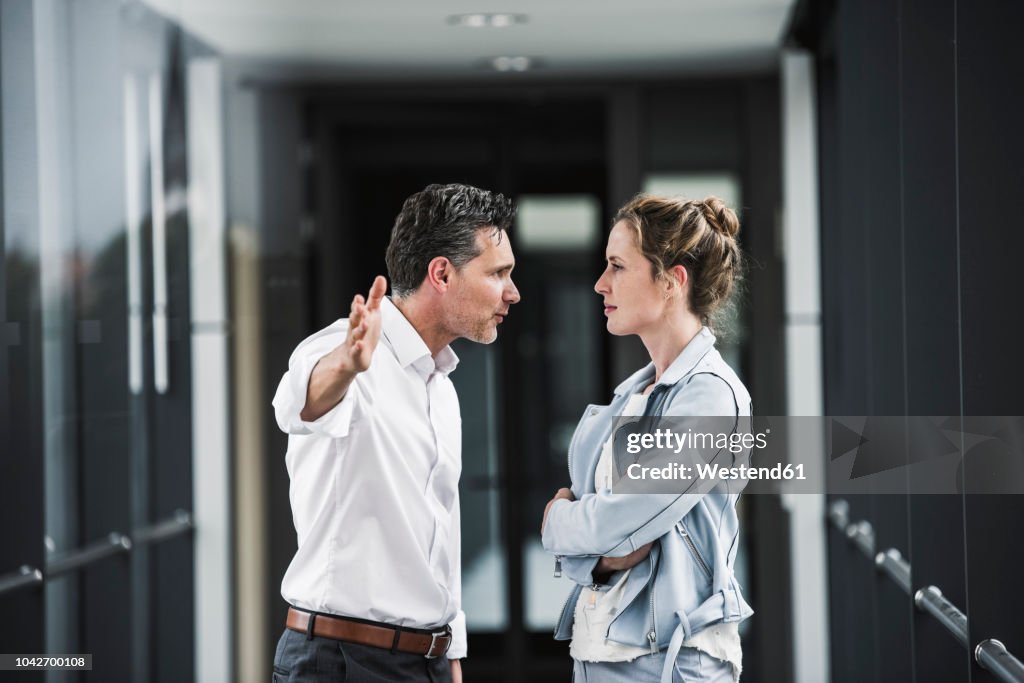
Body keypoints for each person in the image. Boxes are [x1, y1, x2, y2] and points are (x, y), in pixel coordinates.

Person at [271, 183, 520, 683]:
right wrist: (347, 363)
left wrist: (452, 650)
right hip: (341, 662)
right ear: (442, 273)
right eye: (498, 273)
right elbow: (300, 403)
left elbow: (439, 529)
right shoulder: (345, 350)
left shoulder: (442, 385)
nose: (513, 292)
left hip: (421, 661)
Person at [541, 194, 753, 683]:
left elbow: (618, 525)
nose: (600, 284)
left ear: (673, 281)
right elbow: (612, 544)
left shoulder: (711, 397)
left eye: (618, 266)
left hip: (669, 665)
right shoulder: (634, 395)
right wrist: (595, 547)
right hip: (602, 652)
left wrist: (556, 521)